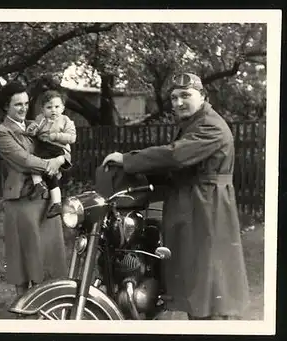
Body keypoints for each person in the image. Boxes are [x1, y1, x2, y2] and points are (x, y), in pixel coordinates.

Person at [101, 72, 249, 320]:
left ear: (202, 96)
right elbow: (178, 166)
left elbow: (176, 156)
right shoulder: (193, 123)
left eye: (185, 96)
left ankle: (212, 323)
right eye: (173, 98)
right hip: (193, 202)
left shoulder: (210, 125)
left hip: (207, 206)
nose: (178, 103)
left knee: (207, 278)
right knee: (195, 276)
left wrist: (128, 160)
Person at [0, 81, 68, 297]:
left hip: (46, 199)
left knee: (49, 252)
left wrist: (63, 158)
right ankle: (23, 303)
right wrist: (51, 164)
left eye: (26, 103)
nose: (23, 108)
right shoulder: (2, 133)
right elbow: (23, 160)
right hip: (22, 199)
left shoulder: (38, 125)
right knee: (24, 252)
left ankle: (50, 299)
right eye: (18, 104)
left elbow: (61, 148)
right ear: (6, 106)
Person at [25, 89, 76, 218]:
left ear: (63, 108)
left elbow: (72, 137)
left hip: (57, 149)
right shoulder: (41, 119)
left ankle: (49, 195)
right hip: (43, 148)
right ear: (42, 109)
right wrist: (32, 130)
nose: (53, 110)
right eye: (49, 107)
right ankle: (44, 190)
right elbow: (34, 128)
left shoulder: (65, 120)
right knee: (39, 166)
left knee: (41, 165)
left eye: (57, 107)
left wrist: (57, 136)